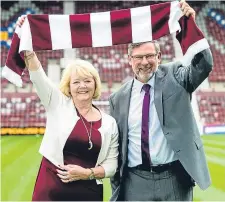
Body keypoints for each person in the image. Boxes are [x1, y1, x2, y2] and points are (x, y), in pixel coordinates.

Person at [109, 0, 213, 201]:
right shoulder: (118, 98)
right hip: (135, 181)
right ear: (129, 59)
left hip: (173, 179)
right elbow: (117, 146)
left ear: (159, 56)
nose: (144, 62)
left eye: (150, 56)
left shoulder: (176, 75)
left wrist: (188, 26)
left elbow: (204, 64)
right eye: (138, 57)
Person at [16, 16, 119, 201]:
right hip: (51, 190)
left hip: (88, 192)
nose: (82, 86)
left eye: (88, 81)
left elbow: (112, 164)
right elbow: (38, 77)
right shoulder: (57, 103)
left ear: (95, 85)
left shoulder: (109, 123)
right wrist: (28, 49)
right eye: (76, 82)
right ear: (68, 86)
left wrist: (87, 173)